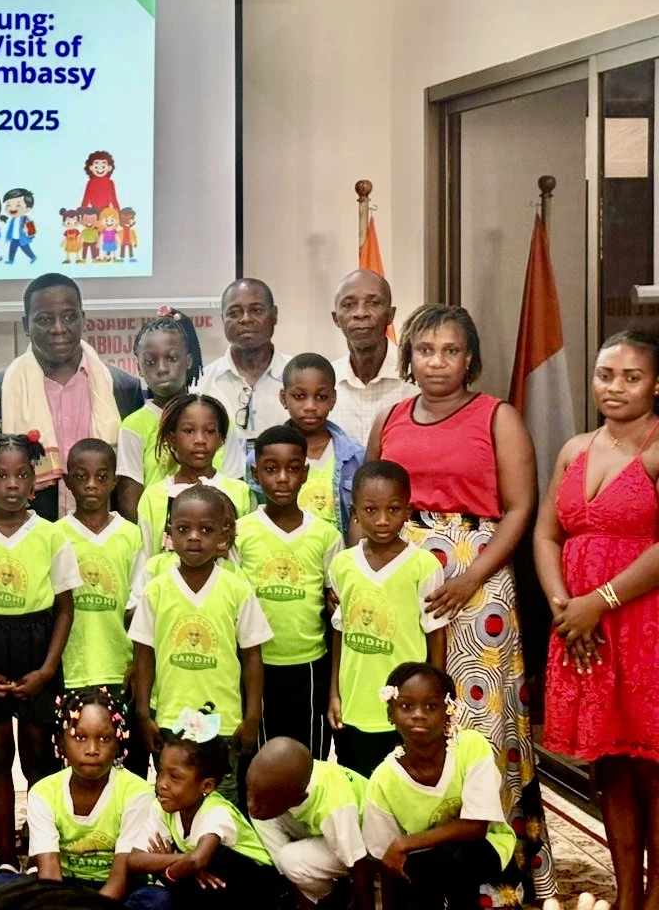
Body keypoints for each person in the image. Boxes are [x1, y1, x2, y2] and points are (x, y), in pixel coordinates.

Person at [367, 303, 554, 898]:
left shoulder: (496, 416)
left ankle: (493, 876)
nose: (437, 362)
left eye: (451, 351)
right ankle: (414, 864)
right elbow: (367, 499)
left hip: (478, 583)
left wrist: (472, 576)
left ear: (470, 358)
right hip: (402, 577)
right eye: (426, 350)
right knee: (407, 705)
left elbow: (521, 507)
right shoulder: (390, 416)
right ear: (409, 356)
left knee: (479, 720)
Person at [535, 330, 659, 910]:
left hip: (644, 626)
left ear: (656, 385)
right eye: (605, 374)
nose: (615, 387)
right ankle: (627, 893)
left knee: (652, 767)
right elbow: (546, 534)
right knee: (608, 765)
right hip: (581, 630)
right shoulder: (574, 448)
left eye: (631, 377)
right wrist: (565, 609)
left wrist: (599, 602)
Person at [0, 432, 80, 871]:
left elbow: (65, 609)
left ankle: (42, 852)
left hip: (37, 651)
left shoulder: (51, 535)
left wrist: (47, 670)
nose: (11, 484)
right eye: (1, 475)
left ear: (34, 481)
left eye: (22, 475)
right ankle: (6, 856)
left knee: (38, 759)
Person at [130, 486, 272, 797]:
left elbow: (253, 656)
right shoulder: (156, 590)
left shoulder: (237, 590)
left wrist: (252, 716)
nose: (194, 538)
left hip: (223, 722)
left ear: (222, 536)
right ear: (170, 534)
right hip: (170, 719)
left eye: (206, 530)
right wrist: (142, 712)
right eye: (184, 529)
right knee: (173, 795)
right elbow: (143, 655)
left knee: (222, 800)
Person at [0, 274, 143, 520]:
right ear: (26, 325)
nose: (58, 329)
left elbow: (134, 474)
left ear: (83, 319)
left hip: (105, 533)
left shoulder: (123, 387)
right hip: (28, 531)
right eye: (45, 319)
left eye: (69, 317)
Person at [363, 663, 521, 910]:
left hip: (485, 851)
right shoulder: (383, 779)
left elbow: (476, 827)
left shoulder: (471, 747)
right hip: (426, 861)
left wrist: (406, 842)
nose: (418, 714)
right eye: (406, 706)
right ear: (390, 714)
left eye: (431, 706)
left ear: (449, 711)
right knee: (417, 876)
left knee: (455, 857)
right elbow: (387, 857)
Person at [327, 461, 446, 777]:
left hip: (406, 709)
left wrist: (437, 698)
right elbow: (339, 631)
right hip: (354, 705)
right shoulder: (342, 565)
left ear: (408, 510)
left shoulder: (424, 566)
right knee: (358, 785)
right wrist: (334, 693)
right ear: (354, 512)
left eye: (393, 509)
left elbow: (436, 634)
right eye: (371, 510)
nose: (382, 520)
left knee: (404, 784)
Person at [236, 426, 343, 758]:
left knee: (308, 760)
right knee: (260, 759)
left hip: (309, 666)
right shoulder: (241, 533)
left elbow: (335, 609)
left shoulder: (326, 536)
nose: (282, 478)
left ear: (305, 473)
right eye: (271, 469)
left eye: (293, 468)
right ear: (255, 473)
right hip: (256, 664)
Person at [55, 439, 147, 776]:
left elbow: (140, 607)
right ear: (68, 482)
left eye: (101, 476)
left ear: (114, 481)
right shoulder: (56, 535)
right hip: (72, 668)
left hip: (120, 668)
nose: (92, 485)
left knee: (126, 759)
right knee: (78, 758)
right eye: (82, 477)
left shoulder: (131, 536)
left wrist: (137, 663)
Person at [127, 706, 277, 909]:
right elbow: (135, 860)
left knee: (218, 860)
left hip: (250, 887)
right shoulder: (163, 804)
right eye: (161, 772)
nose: (162, 783)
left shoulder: (217, 812)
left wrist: (167, 867)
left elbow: (199, 860)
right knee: (151, 898)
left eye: (175, 777)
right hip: (202, 888)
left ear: (206, 786)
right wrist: (180, 859)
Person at [21, 689, 152, 902]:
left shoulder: (137, 793)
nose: (92, 749)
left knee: (155, 900)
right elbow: (50, 873)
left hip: (120, 889)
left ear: (118, 743)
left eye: (105, 738)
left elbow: (120, 878)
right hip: (62, 885)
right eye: (80, 737)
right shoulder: (43, 792)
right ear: (61, 743)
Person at [247, 737, 371, 910]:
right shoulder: (289, 780)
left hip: (364, 844)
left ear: (298, 799)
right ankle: (303, 891)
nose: (250, 804)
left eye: (261, 798)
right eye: (250, 790)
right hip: (327, 831)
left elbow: (358, 865)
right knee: (262, 818)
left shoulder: (335, 807)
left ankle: (332, 897)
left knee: (290, 859)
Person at [248, 354, 364, 534]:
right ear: (283, 398)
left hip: (337, 549)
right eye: (300, 396)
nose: (310, 406)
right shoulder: (259, 457)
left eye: (321, 397)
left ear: (333, 399)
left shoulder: (356, 458)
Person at [116, 309, 209, 521]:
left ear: (189, 360)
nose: (162, 369)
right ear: (139, 368)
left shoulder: (214, 418)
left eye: (172, 358)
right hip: (156, 536)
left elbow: (232, 485)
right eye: (150, 362)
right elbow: (130, 502)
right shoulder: (133, 426)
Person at [135, 395, 253, 559]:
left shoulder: (239, 492)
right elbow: (146, 557)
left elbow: (248, 554)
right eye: (189, 431)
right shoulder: (153, 497)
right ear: (172, 438)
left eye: (210, 431)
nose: (200, 440)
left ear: (221, 439)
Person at [197, 279, 293, 476]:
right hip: (217, 493)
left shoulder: (298, 378)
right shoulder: (200, 384)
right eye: (234, 313)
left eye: (256, 310)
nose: (246, 319)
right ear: (223, 319)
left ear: (274, 315)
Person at [328, 270, 414, 445]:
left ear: (390, 315)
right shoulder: (325, 382)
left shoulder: (417, 379)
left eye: (373, 303)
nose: (361, 313)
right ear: (336, 318)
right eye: (349, 305)